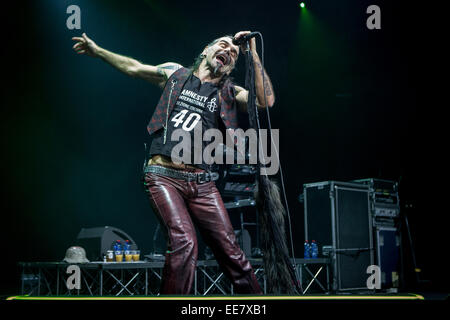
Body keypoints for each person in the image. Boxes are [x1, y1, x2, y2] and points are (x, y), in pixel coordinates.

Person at [72, 30, 275, 294]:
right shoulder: (175, 73)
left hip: (203, 183)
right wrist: (98, 51)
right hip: (163, 175)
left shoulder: (229, 92)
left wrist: (252, 53)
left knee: (232, 252)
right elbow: (134, 68)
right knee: (185, 241)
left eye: (233, 53)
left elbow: (264, 101)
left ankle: (255, 304)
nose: (228, 50)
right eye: (223, 45)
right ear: (206, 50)